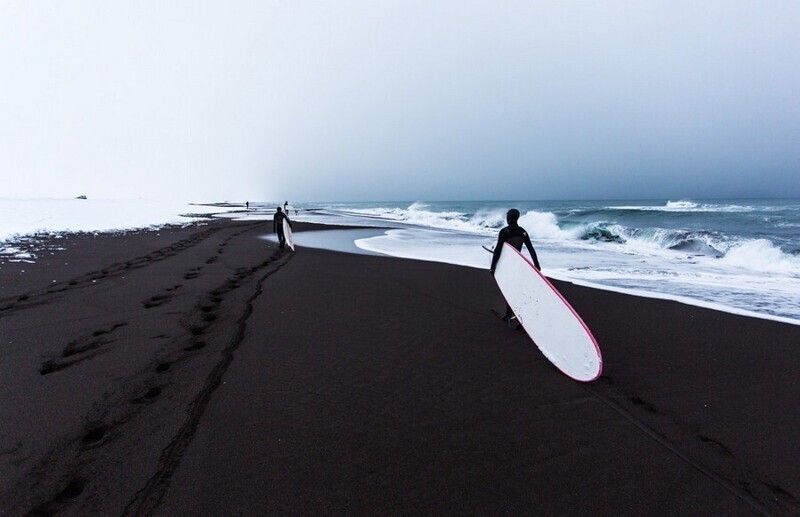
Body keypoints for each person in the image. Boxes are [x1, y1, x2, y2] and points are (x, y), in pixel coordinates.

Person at [490, 208, 541, 322]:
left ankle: (510, 315)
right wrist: (537, 265)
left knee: (509, 290)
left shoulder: (505, 231)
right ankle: (511, 314)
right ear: (517, 218)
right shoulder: (523, 232)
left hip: (507, 265)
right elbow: (531, 249)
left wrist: (493, 267)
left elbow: (498, 250)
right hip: (518, 265)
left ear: (508, 218)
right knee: (515, 289)